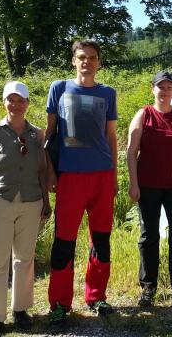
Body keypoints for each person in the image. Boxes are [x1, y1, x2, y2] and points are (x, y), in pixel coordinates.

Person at [45, 40, 118, 325]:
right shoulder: (59, 88)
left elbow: (110, 137)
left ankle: (96, 296)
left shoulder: (108, 93)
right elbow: (50, 135)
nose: (87, 61)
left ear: (99, 62)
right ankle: (60, 304)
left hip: (101, 174)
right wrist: (49, 173)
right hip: (70, 177)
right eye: (81, 57)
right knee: (64, 241)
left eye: (92, 57)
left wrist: (113, 176)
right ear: (73, 60)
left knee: (101, 240)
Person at [0, 81, 51, 337]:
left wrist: (47, 202)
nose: (16, 105)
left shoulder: (37, 135)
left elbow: (43, 171)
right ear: (4, 102)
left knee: (25, 259)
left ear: (28, 104)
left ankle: (21, 309)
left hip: (31, 201)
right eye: (11, 100)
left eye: (21, 100)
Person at [126, 71, 172, 316]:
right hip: (148, 186)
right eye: (160, 87)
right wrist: (133, 183)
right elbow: (130, 151)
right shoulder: (143, 114)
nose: (164, 91)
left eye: (169, 87)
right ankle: (148, 288)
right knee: (149, 236)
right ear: (153, 89)